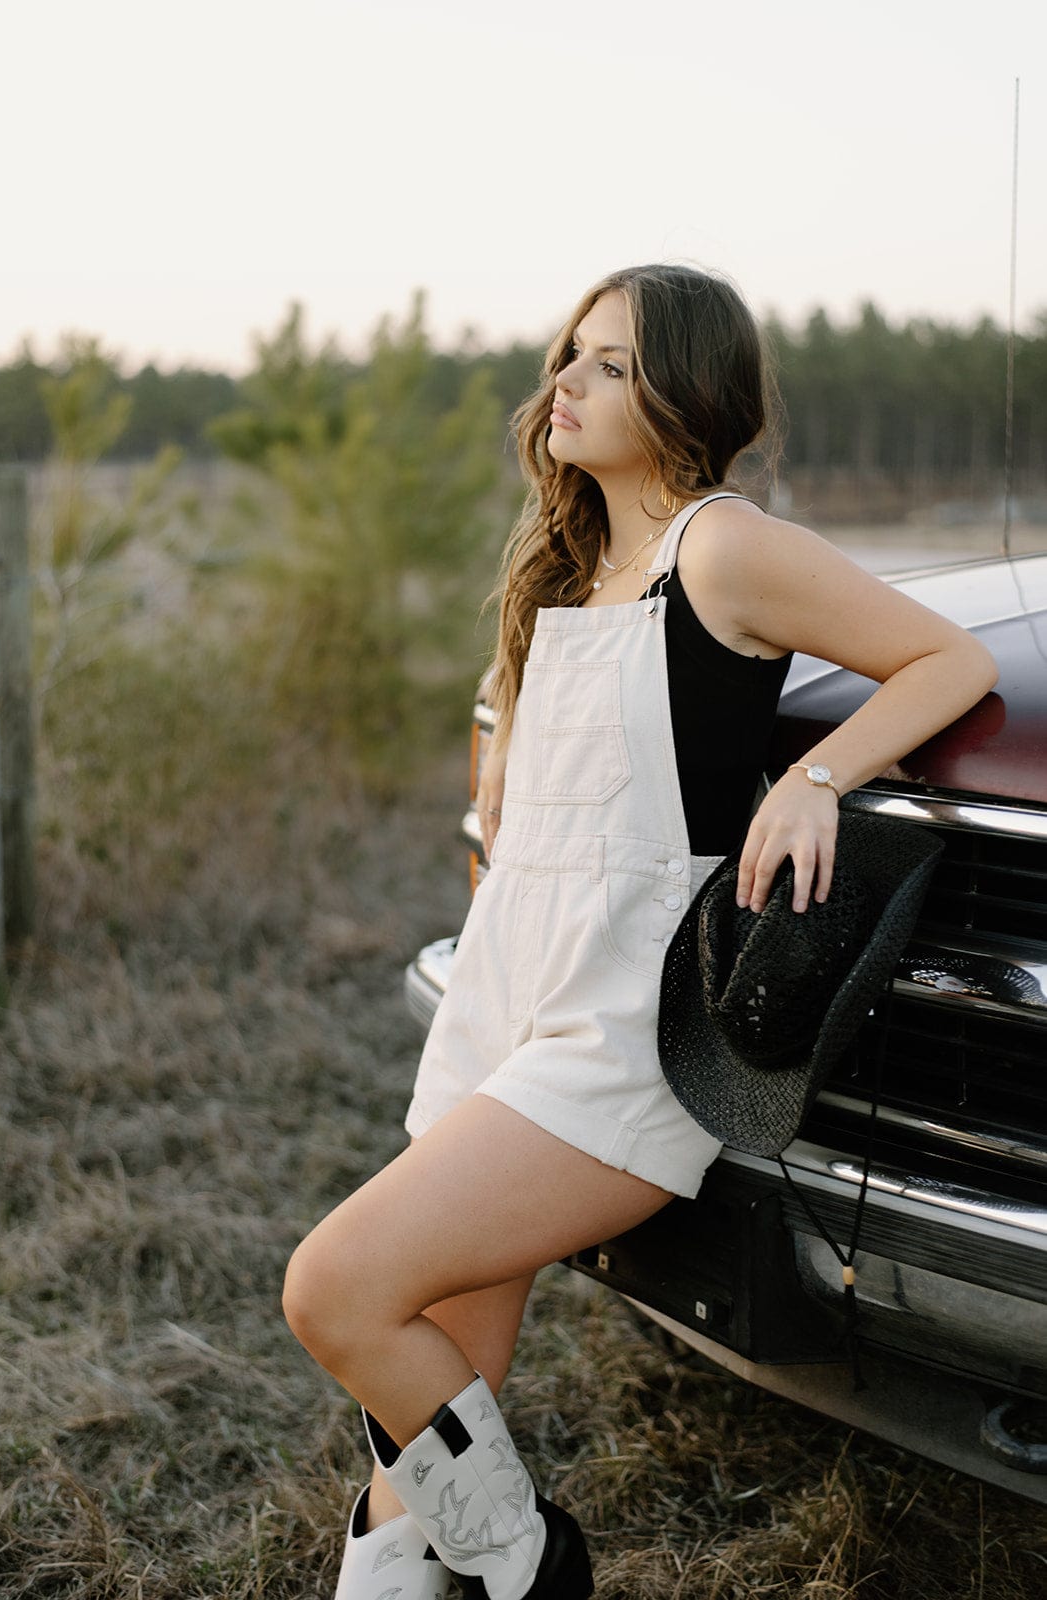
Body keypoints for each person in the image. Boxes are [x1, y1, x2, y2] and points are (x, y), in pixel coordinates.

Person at [282, 263, 997, 1600]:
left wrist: (813, 775)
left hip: (624, 1026)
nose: (565, 382)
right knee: (442, 1357)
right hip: (508, 989)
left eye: (609, 364)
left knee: (335, 1289)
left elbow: (948, 659)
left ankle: (531, 1564)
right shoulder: (564, 564)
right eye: (570, 354)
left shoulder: (716, 545)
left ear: (685, 393)